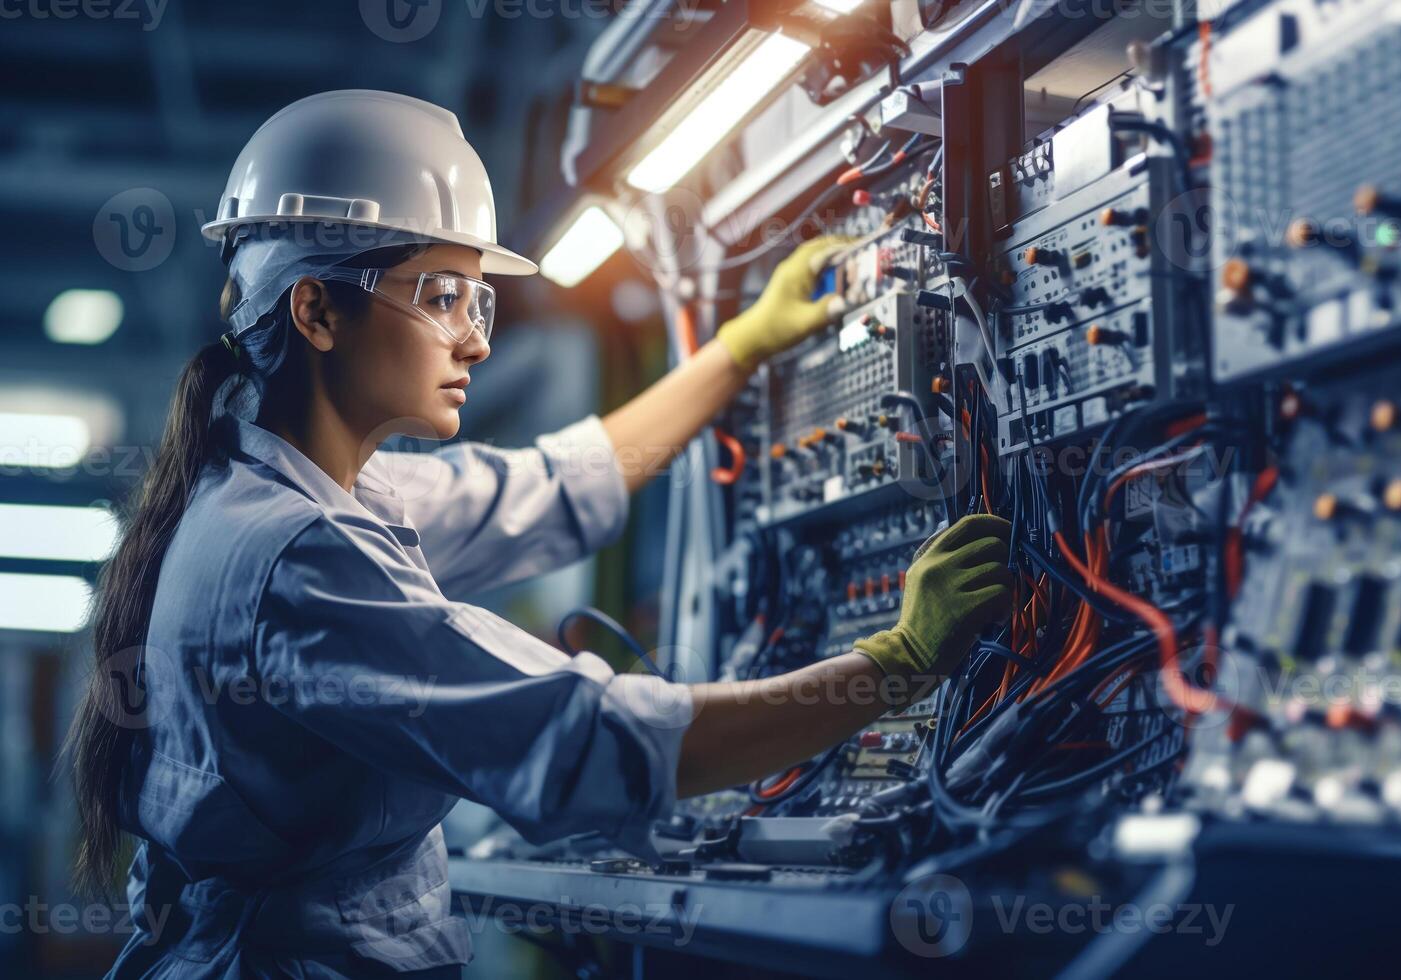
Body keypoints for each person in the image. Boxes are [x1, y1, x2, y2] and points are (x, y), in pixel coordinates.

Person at [66, 90, 1012, 978]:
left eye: (479, 304)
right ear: (316, 310)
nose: (476, 339)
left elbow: (551, 488)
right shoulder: (292, 558)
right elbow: (587, 742)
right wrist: (902, 657)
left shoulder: (310, 493)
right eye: (442, 297)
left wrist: (740, 347)